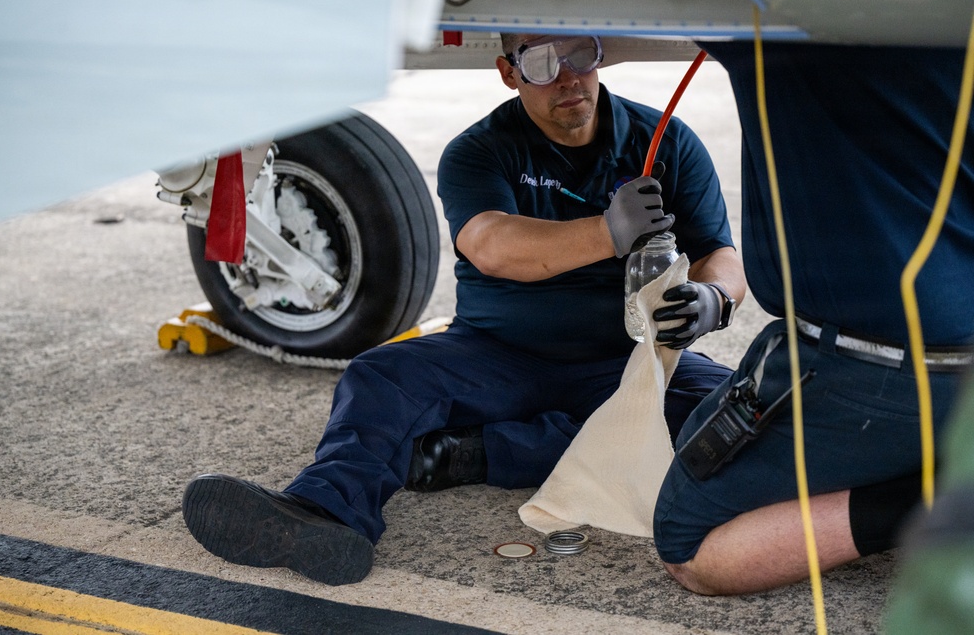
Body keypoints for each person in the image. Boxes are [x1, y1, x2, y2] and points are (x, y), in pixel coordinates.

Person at [182, 33, 746, 586]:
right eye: (542, 63)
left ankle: (483, 454)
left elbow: (721, 253)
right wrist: (605, 231)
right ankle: (324, 512)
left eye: (580, 54)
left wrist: (713, 299)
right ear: (508, 73)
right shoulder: (479, 149)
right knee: (381, 376)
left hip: (624, 360)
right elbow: (490, 246)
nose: (568, 76)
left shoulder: (665, 141)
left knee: (746, 409)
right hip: (496, 353)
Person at [653, 40, 974, 595]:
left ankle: (936, 504)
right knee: (702, 415)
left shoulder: (786, 25)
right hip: (944, 341)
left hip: (878, 364)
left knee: (688, 540)